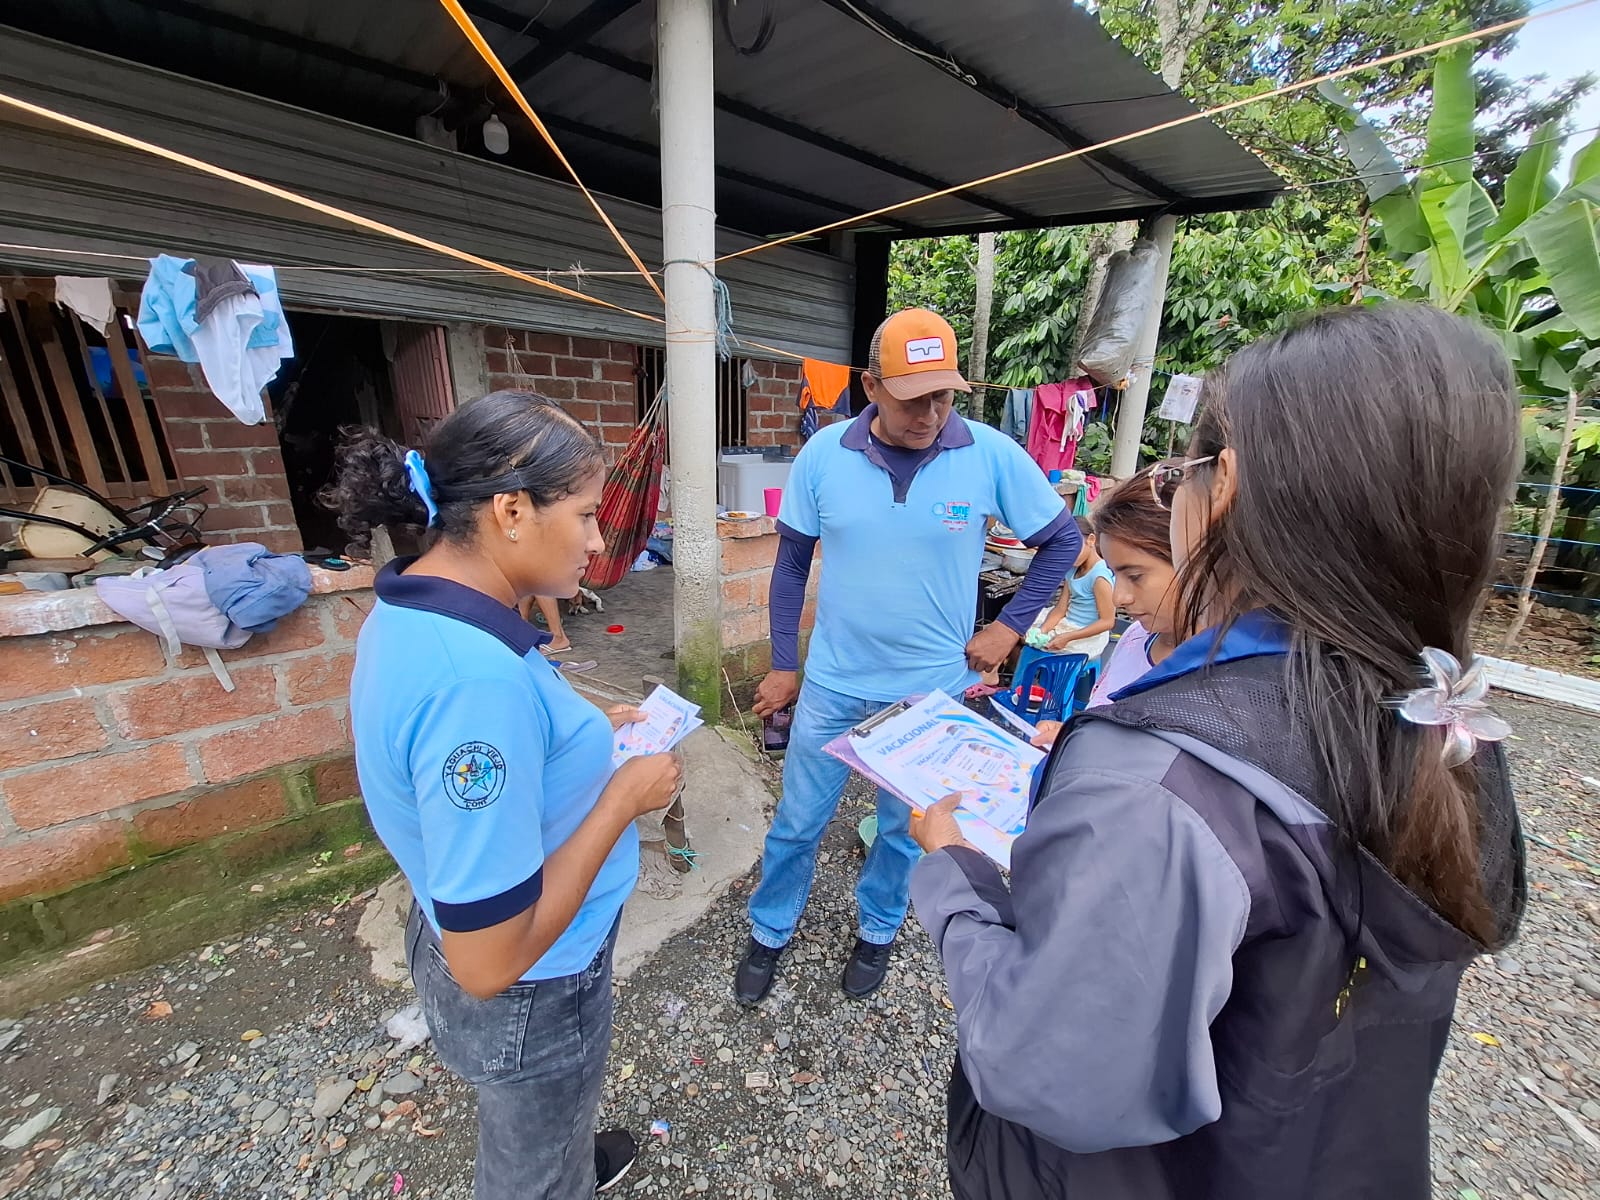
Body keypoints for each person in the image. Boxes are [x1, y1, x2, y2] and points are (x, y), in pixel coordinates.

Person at [910, 304, 1526, 1199]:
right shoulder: (1439, 717)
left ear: (1224, 484)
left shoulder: (1158, 785)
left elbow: (1045, 1070)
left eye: (1183, 472)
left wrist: (958, 878)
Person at [329, 390, 684, 1199]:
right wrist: (621, 800)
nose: (598, 542)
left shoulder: (421, 606)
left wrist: (579, 731)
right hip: (535, 985)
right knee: (532, 1169)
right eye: (586, 515)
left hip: (456, 922)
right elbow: (489, 961)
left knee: (544, 1129)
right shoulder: (474, 684)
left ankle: (565, 1158)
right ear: (512, 511)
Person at [740, 308, 1081, 1005]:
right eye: (911, 398)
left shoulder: (988, 455)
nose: (929, 414)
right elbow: (791, 566)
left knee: (902, 832)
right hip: (834, 684)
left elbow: (1063, 541)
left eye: (943, 396)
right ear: (871, 386)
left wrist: (1008, 629)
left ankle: (879, 927)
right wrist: (784, 662)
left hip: (930, 696)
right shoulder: (823, 455)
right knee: (797, 823)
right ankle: (770, 927)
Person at [1027, 472, 1180, 747]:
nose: (1119, 597)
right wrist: (1073, 733)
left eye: (1135, 576)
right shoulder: (1135, 637)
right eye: (1114, 574)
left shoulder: (1214, 685)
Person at [1024, 515, 1115, 657]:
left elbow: (1107, 622)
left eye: (1074, 549)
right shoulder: (1073, 569)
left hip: (1088, 634)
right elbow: (1061, 608)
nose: (1070, 555)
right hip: (1067, 623)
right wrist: (1043, 630)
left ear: (1091, 540)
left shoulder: (1099, 577)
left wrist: (1068, 637)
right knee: (1021, 630)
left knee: (1031, 643)